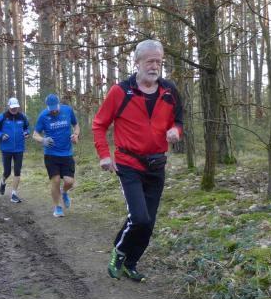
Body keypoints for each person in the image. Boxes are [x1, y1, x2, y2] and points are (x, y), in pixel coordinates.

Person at [92, 39, 183, 282]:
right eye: (150, 61)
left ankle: (131, 263)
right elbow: (99, 124)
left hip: (157, 164)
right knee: (139, 217)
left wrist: (176, 131)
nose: (155, 66)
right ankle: (119, 252)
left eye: (159, 61)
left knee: (148, 223)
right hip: (129, 164)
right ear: (137, 62)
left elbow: (179, 121)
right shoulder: (120, 91)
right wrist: (104, 155)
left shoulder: (169, 91)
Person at [33, 93, 79, 217]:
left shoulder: (67, 110)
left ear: (59, 104)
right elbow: (35, 134)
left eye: (55, 108)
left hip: (67, 153)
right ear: (47, 107)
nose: (54, 111)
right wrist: (43, 140)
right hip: (51, 154)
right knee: (56, 180)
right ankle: (57, 207)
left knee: (69, 181)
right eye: (51, 109)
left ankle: (63, 192)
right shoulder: (43, 116)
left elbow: (76, 125)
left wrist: (75, 135)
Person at [0, 97, 30, 203]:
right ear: (9, 107)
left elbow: (27, 128)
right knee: (7, 172)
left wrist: (27, 133)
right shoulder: (2, 117)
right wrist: (1, 135)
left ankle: (14, 194)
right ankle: (3, 181)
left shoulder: (22, 117)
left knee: (17, 171)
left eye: (15, 107)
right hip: (6, 149)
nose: (14, 109)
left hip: (19, 149)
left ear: (18, 107)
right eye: (12, 108)